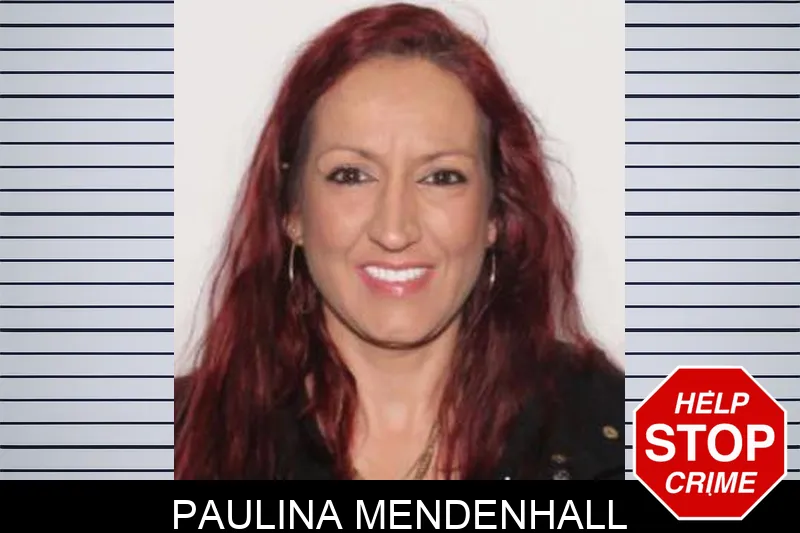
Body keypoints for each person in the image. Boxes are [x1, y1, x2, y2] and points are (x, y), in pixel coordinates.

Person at [175, 2, 624, 481]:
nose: (394, 231)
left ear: (496, 213)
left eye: (441, 177)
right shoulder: (176, 442)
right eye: (351, 175)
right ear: (293, 210)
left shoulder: (618, 430)